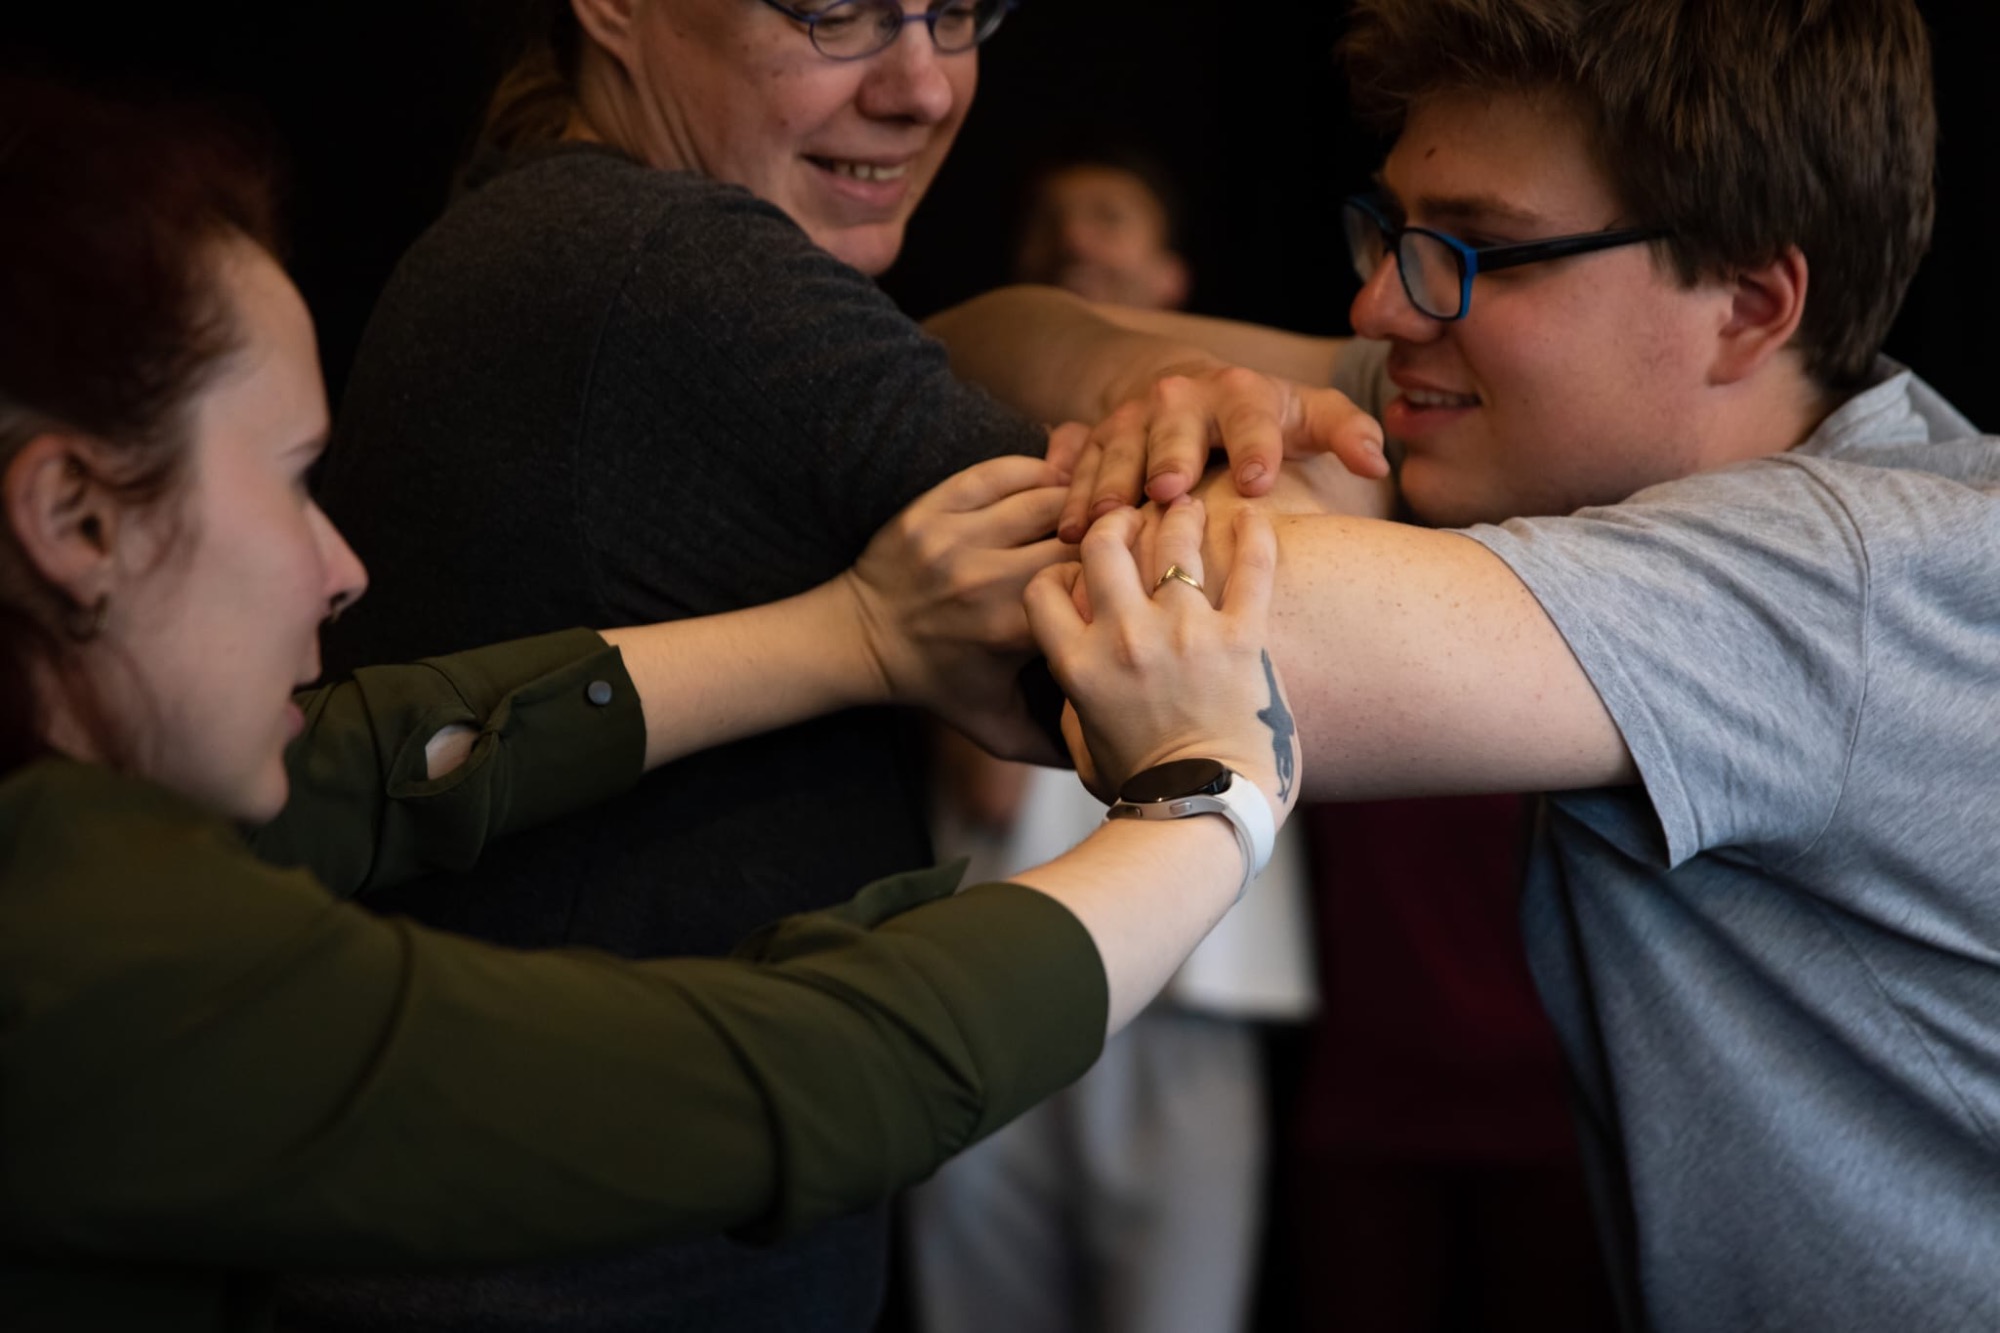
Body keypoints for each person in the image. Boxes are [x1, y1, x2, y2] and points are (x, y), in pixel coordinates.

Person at [0, 75, 1304, 1333]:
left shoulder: (77, 843)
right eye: (292, 481)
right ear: (73, 518)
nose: (339, 571)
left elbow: (380, 760)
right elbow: (783, 1082)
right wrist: (1209, 801)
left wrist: (850, 634)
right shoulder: (87, 955)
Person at [304, 2, 1387, 1325]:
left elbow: (974, 336)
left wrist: (1178, 370)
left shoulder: (563, 230)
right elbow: (1279, 636)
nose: (922, 86)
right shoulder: (662, 259)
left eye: (955, 10)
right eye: (836, 10)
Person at [930, 1, 2000, 1328]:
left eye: (1477, 250)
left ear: (1745, 305)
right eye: (1394, 234)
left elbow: (1173, 642)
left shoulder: (1844, 573)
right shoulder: (1598, 426)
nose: (1379, 303)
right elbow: (974, 343)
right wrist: (1163, 392)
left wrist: (1171, 471)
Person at [911, 146, 1314, 1333]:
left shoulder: (1258, 456)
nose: (1075, 238)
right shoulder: (959, 447)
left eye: (1107, 217)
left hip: (1198, 968)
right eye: (1050, 222)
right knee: (979, 1301)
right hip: (985, 951)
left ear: (1171, 275)